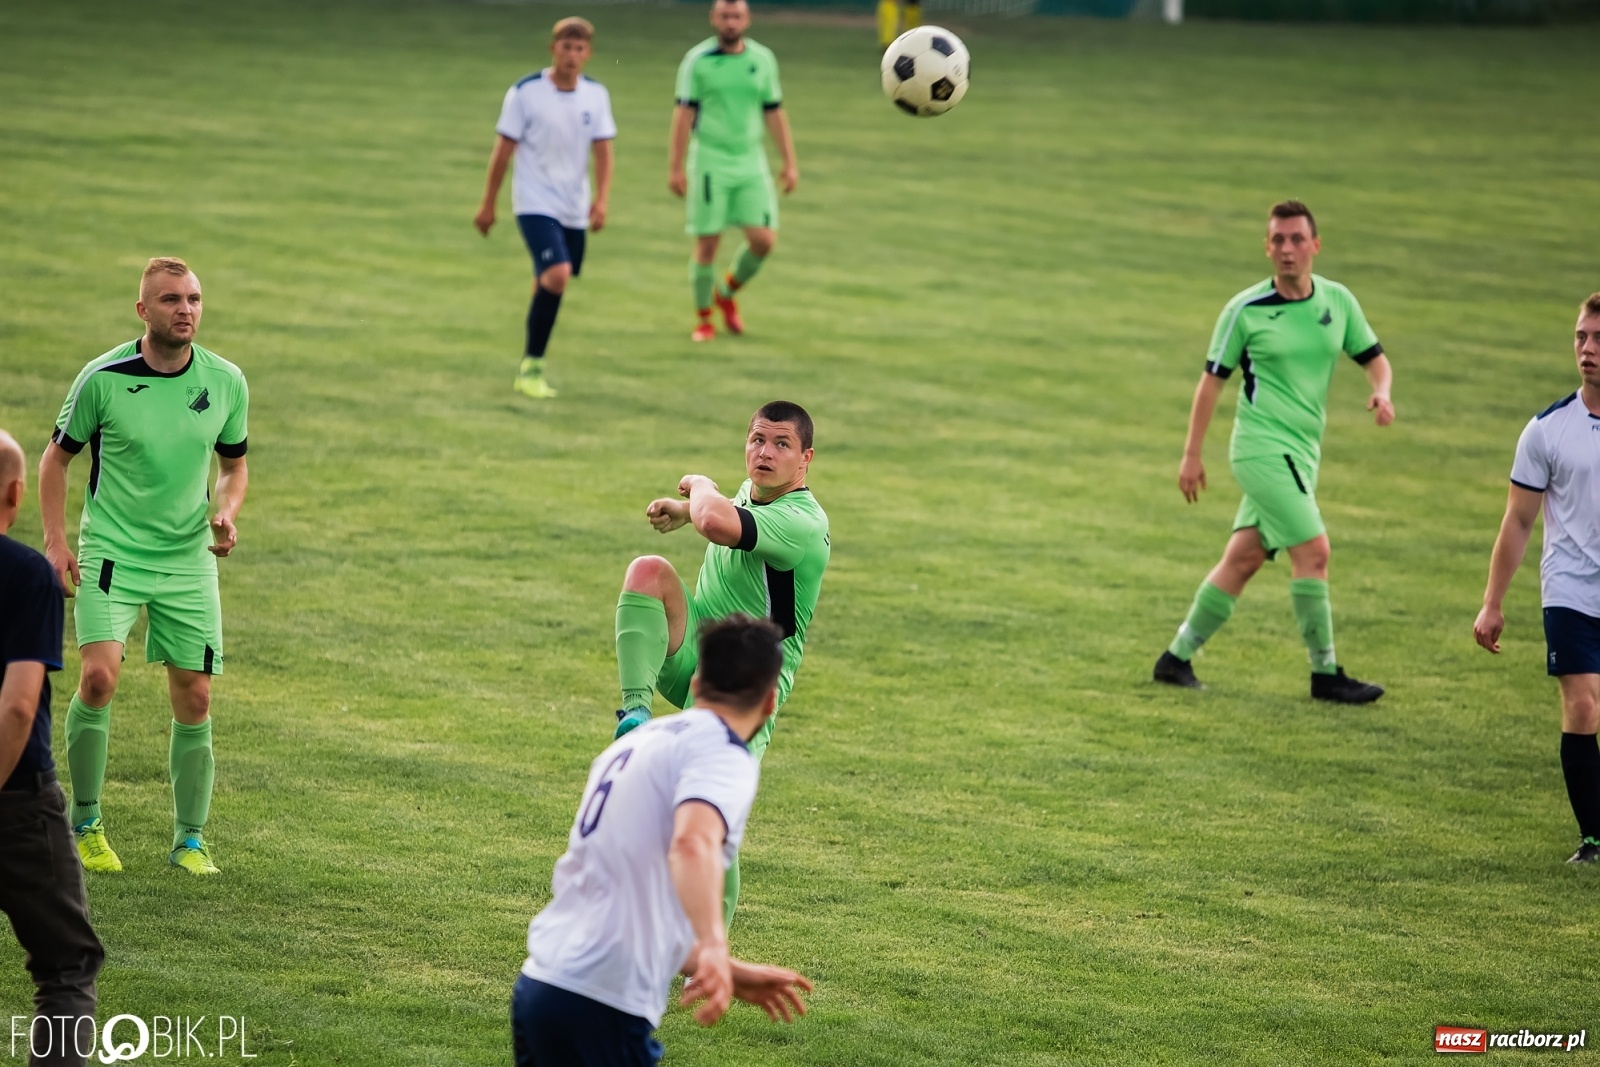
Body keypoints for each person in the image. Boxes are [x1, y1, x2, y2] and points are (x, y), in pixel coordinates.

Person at [514, 615, 813, 1067]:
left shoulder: (633, 745)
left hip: (543, 985)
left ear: (696, 683)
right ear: (770, 701)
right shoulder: (722, 753)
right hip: (602, 1001)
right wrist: (714, 945)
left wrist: (726, 970)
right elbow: (693, 844)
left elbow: (631, 903)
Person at [39, 257, 250, 876]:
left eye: (194, 299)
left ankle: (190, 841)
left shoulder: (226, 381)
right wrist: (56, 543)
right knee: (98, 679)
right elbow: (54, 461)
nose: (185, 310)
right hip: (113, 552)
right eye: (170, 300)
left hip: (188, 558)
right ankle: (85, 824)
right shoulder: (102, 379)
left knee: (197, 695)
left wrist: (226, 510)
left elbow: (234, 465)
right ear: (143, 310)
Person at [1152, 200, 1394, 702]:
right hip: (1260, 449)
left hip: (1303, 454)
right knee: (1314, 551)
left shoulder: (1338, 301)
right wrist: (1192, 455)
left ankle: (1175, 659)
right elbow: (1210, 384)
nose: (1287, 249)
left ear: (1315, 245)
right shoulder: (1244, 311)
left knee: (1243, 558)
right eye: (1278, 240)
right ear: (1266, 247)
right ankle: (1325, 674)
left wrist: (1382, 391)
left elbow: (1375, 358)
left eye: (1297, 239)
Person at [613, 400, 828, 922]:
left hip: (746, 686)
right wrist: (681, 509)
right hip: (696, 654)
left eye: (782, 444)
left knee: (711, 813)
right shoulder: (752, 493)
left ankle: (711, 944)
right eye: (758, 440)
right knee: (648, 572)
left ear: (806, 459)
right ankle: (634, 712)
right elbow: (725, 512)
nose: (765, 452)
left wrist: (699, 489)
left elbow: (717, 520)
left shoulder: (802, 522)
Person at [1474, 293, 1600, 863]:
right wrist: (1492, 602)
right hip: (1570, 590)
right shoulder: (1547, 430)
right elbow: (1519, 521)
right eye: (1581, 337)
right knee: (1583, 708)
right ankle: (1593, 839)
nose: (1587, 349)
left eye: (1598, 339)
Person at [0, 429, 105, 1067]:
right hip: (16, 801)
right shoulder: (25, 576)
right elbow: (17, 706)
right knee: (67, 965)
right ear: (16, 494)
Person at [476, 16, 617, 400]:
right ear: (553, 48)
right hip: (534, 201)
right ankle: (532, 367)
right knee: (558, 275)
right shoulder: (525, 93)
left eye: (579, 48)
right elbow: (503, 151)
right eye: (566, 47)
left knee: (549, 280)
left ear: (588, 54)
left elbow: (603, 152)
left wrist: (601, 199)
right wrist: (488, 204)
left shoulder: (596, 95)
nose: (572, 55)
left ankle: (528, 363)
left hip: (574, 206)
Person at [669, 0, 798, 343]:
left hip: (751, 161)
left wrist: (789, 161)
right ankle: (704, 320)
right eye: (725, 16)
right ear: (714, 19)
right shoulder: (697, 61)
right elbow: (683, 115)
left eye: (736, 16)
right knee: (707, 244)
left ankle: (725, 293)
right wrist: (676, 167)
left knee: (764, 240)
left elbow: (774, 110)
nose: (731, 22)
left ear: (747, 20)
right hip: (710, 161)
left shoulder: (762, 59)